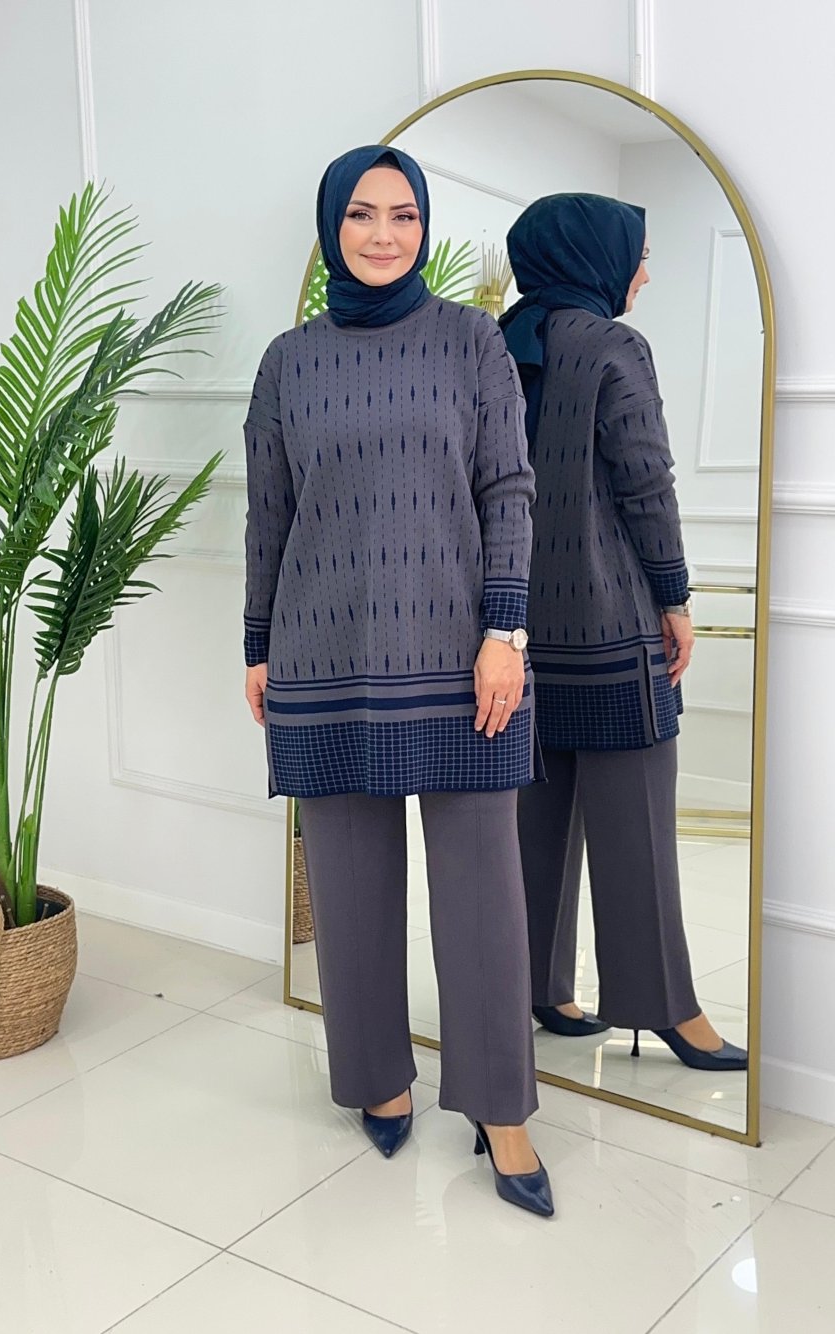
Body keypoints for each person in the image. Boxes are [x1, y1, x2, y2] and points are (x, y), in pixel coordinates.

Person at [242, 145, 554, 1216]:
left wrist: (505, 630)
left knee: (483, 894)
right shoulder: (288, 362)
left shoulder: (471, 340)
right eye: (363, 215)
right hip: (322, 649)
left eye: (404, 215)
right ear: (332, 225)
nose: (384, 234)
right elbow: (270, 512)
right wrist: (257, 645)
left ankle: (501, 1109)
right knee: (346, 884)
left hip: (463, 656)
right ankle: (377, 1073)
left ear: (424, 227)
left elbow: (509, 489)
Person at [499, 193, 747, 1072]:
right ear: (593, 255)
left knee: (532, 816)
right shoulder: (613, 346)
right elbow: (646, 482)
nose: (643, 273)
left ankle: (536, 986)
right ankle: (661, 1007)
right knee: (636, 820)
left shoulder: (491, 342)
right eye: (638, 254)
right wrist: (676, 597)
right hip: (609, 624)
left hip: (513, 631)